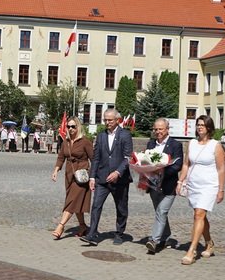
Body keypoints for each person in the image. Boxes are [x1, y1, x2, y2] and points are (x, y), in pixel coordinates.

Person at [80, 109, 134, 246]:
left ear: (117, 120)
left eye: (110, 120)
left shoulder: (125, 135)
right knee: (96, 206)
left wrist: (118, 172)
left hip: (120, 180)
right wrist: (92, 177)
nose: (107, 122)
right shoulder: (101, 136)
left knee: (121, 208)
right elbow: (96, 158)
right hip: (102, 178)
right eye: (105, 120)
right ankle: (92, 234)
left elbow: (128, 158)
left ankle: (119, 233)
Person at [177, 115, 225, 265]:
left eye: (203, 125)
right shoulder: (192, 143)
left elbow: (221, 168)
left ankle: (191, 250)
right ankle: (209, 243)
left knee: (199, 214)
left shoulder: (215, 145)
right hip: (193, 184)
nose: (199, 127)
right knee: (200, 216)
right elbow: (186, 164)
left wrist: (221, 189)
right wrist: (180, 180)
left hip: (209, 185)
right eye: (198, 125)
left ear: (209, 128)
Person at [143, 118, 184, 254]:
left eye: (161, 129)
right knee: (159, 212)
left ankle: (154, 241)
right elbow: (145, 161)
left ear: (167, 129)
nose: (158, 132)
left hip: (168, 186)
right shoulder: (150, 144)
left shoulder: (175, 145)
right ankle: (166, 237)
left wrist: (162, 170)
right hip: (153, 185)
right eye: (156, 129)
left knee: (162, 211)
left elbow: (178, 165)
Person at [50, 116, 92, 239]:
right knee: (76, 201)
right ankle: (83, 226)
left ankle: (60, 226)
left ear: (78, 127)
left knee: (71, 201)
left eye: (73, 126)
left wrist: (93, 176)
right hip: (69, 175)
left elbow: (94, 159)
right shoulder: (66, 142)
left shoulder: (85, 141)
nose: (70, 129)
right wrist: (56, 170)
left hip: (81, 177)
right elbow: (61, 157)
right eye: (68, 126)